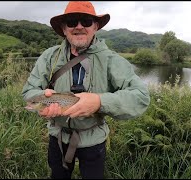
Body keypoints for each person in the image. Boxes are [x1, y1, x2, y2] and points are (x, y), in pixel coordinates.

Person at [22, 1, 150, 179]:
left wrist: (99, 101)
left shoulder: (112, 60)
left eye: (86, 21)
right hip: (57, 137)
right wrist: (42, 97)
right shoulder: (49, 56)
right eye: (72, 21)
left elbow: (141, 96)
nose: (79, 26)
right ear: (64, 28)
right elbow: (29, 91)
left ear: (95, 26)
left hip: (93, 140)